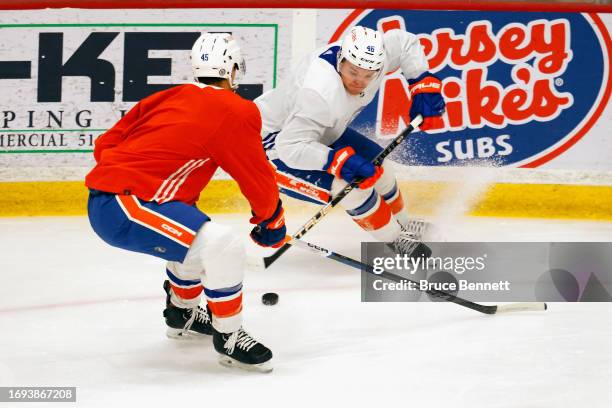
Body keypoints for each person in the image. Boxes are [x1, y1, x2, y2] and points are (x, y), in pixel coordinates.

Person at [85, 33, 286, 373]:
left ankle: (183, 313)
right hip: (126, 205)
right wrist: (271, 218)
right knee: (222, 245)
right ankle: (230, 336)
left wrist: (127, 172)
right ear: (233, 71)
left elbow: (107, 142)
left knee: (196, 235)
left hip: (113, 199)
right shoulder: (237, 109)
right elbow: (255, 174)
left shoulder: (170, 95)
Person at [255, 26, 445, 257]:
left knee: (381, 168)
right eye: (353, 72)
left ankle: (404, 226)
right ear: (341, 59)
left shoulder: (375, 60)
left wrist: (422, 84)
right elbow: (290, 147)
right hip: (270, 145)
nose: (360, 81)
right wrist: (339, 162)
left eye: (368, 75)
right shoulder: (320, 91)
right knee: (351, 189)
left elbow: (405, 43)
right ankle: (397, 242)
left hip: (320, 130)